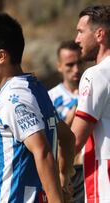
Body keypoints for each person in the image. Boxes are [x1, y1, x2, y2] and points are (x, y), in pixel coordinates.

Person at [0, 13, 75, 203]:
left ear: (1, 56)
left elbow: (42, 151)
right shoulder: (35, 89)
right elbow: (68, 137)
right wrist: (65, 177)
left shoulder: (14, 99)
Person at [71, 5, 110, 203]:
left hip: (104, 183)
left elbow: (75, 140)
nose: (76, 39)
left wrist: (57, 171)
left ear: (99, 34)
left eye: (80, 32)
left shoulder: (95, 75)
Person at [48, 40, 85, 203]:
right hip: (63, 172)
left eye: (79, 63)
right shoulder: (50, 97)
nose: (76, 69)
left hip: (89, 167)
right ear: (59, 66)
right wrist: (70, 118)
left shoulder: (92, 92)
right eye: (70, 65)